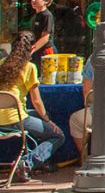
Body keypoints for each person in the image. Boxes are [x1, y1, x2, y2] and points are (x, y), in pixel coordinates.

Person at [0, 31, 64, 177]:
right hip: (16, 119)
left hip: (2, 118)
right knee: (58, 135)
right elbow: (37, 101)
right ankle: (28, 162)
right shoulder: (29, 67)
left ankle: (41, 160)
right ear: (32, 48)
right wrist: (49, 121)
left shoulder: (1, 64)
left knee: (39, 117)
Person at [28, 0, 55, 66]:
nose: (33, 0)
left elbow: (45, 37)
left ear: (46, 1)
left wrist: (32, 50)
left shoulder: (47, 15)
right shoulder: (35, 16)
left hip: (45, 51)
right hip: (36, 50)